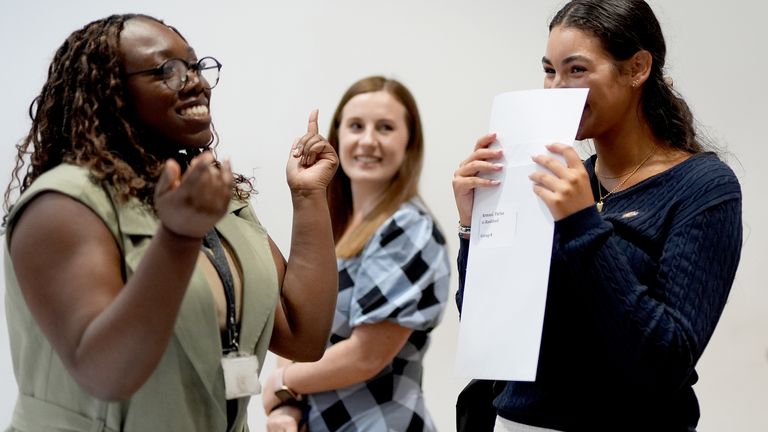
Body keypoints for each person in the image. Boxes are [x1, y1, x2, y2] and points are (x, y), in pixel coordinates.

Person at [2, 13, 339, 431]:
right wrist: (178, 238)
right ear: (110, 93)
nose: (195, 81)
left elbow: (303, 336)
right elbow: (105, 373)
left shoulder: (208, 190)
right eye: (169, 71)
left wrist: (309, 197)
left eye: (197, 67)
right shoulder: (62, 204)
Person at [452, 1, 742, 431]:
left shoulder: (704, 187)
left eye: (577, 70)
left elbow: (666, 361)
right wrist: (473, 226)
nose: (555, 89)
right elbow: (489, 332)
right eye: (549, 70)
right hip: (518, 420)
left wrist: (582, 222)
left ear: (638, 68)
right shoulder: (556, 181)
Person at [262, 76, 450, 431]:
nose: (367, 140)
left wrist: (283, 384)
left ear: (409, 142)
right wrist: (285, 407)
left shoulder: (409, 229)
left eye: (385, 127)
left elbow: (366, 356)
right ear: (337, 136)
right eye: (356, 126)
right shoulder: (332, 228)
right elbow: (298, 319)